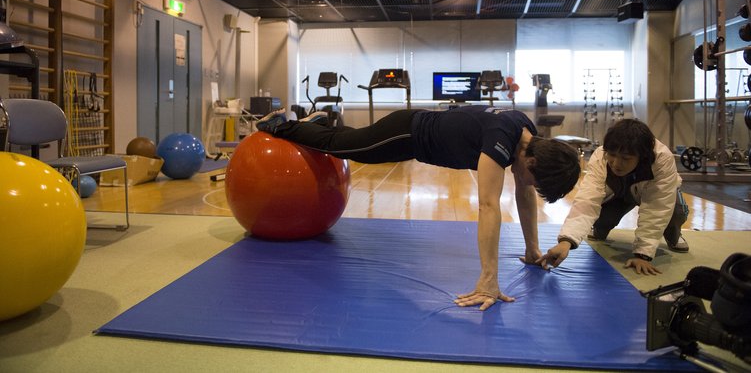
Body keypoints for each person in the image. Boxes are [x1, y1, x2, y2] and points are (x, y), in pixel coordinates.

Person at [257, 105, 581, 310]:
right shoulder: (502, 141)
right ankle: (280, 125)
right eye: (535, 180)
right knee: (344, 148)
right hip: (408, 132)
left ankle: (316, 123)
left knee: (354, 140)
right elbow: (487, 207)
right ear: (533, 160)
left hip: (415, 136)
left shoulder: (528, 136)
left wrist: (531, 248)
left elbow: (524, 190)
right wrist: (488, 280)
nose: (528, 186)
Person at [538, 119, 689, 276]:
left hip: (655, 195)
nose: (616, 163)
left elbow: (657, 207)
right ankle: (600, 227)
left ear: (641, 156)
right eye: (612, 155)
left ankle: (674, 234)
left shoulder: (662, 159)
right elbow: (587, 201)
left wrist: (643, 254)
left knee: (675, 212)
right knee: (600, 221)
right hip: (620, 194)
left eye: (626, 158)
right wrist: (566, 242)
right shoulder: (600, 157)